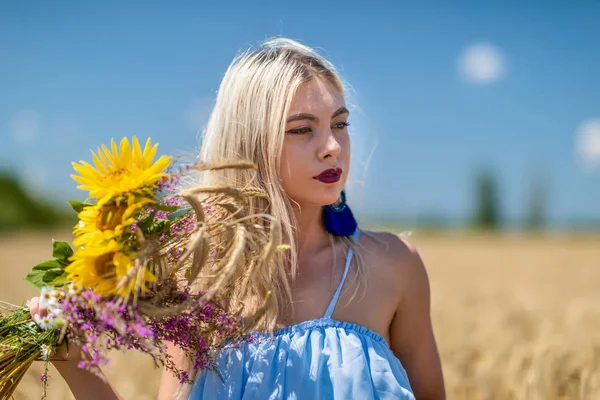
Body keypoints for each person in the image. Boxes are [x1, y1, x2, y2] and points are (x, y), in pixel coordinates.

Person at [29, 37, 445, 400]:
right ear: (251, 142)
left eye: (340, 124)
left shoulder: (394, 265)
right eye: (303, 130)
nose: (332, 146)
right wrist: (74, 359)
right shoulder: (198, 280)